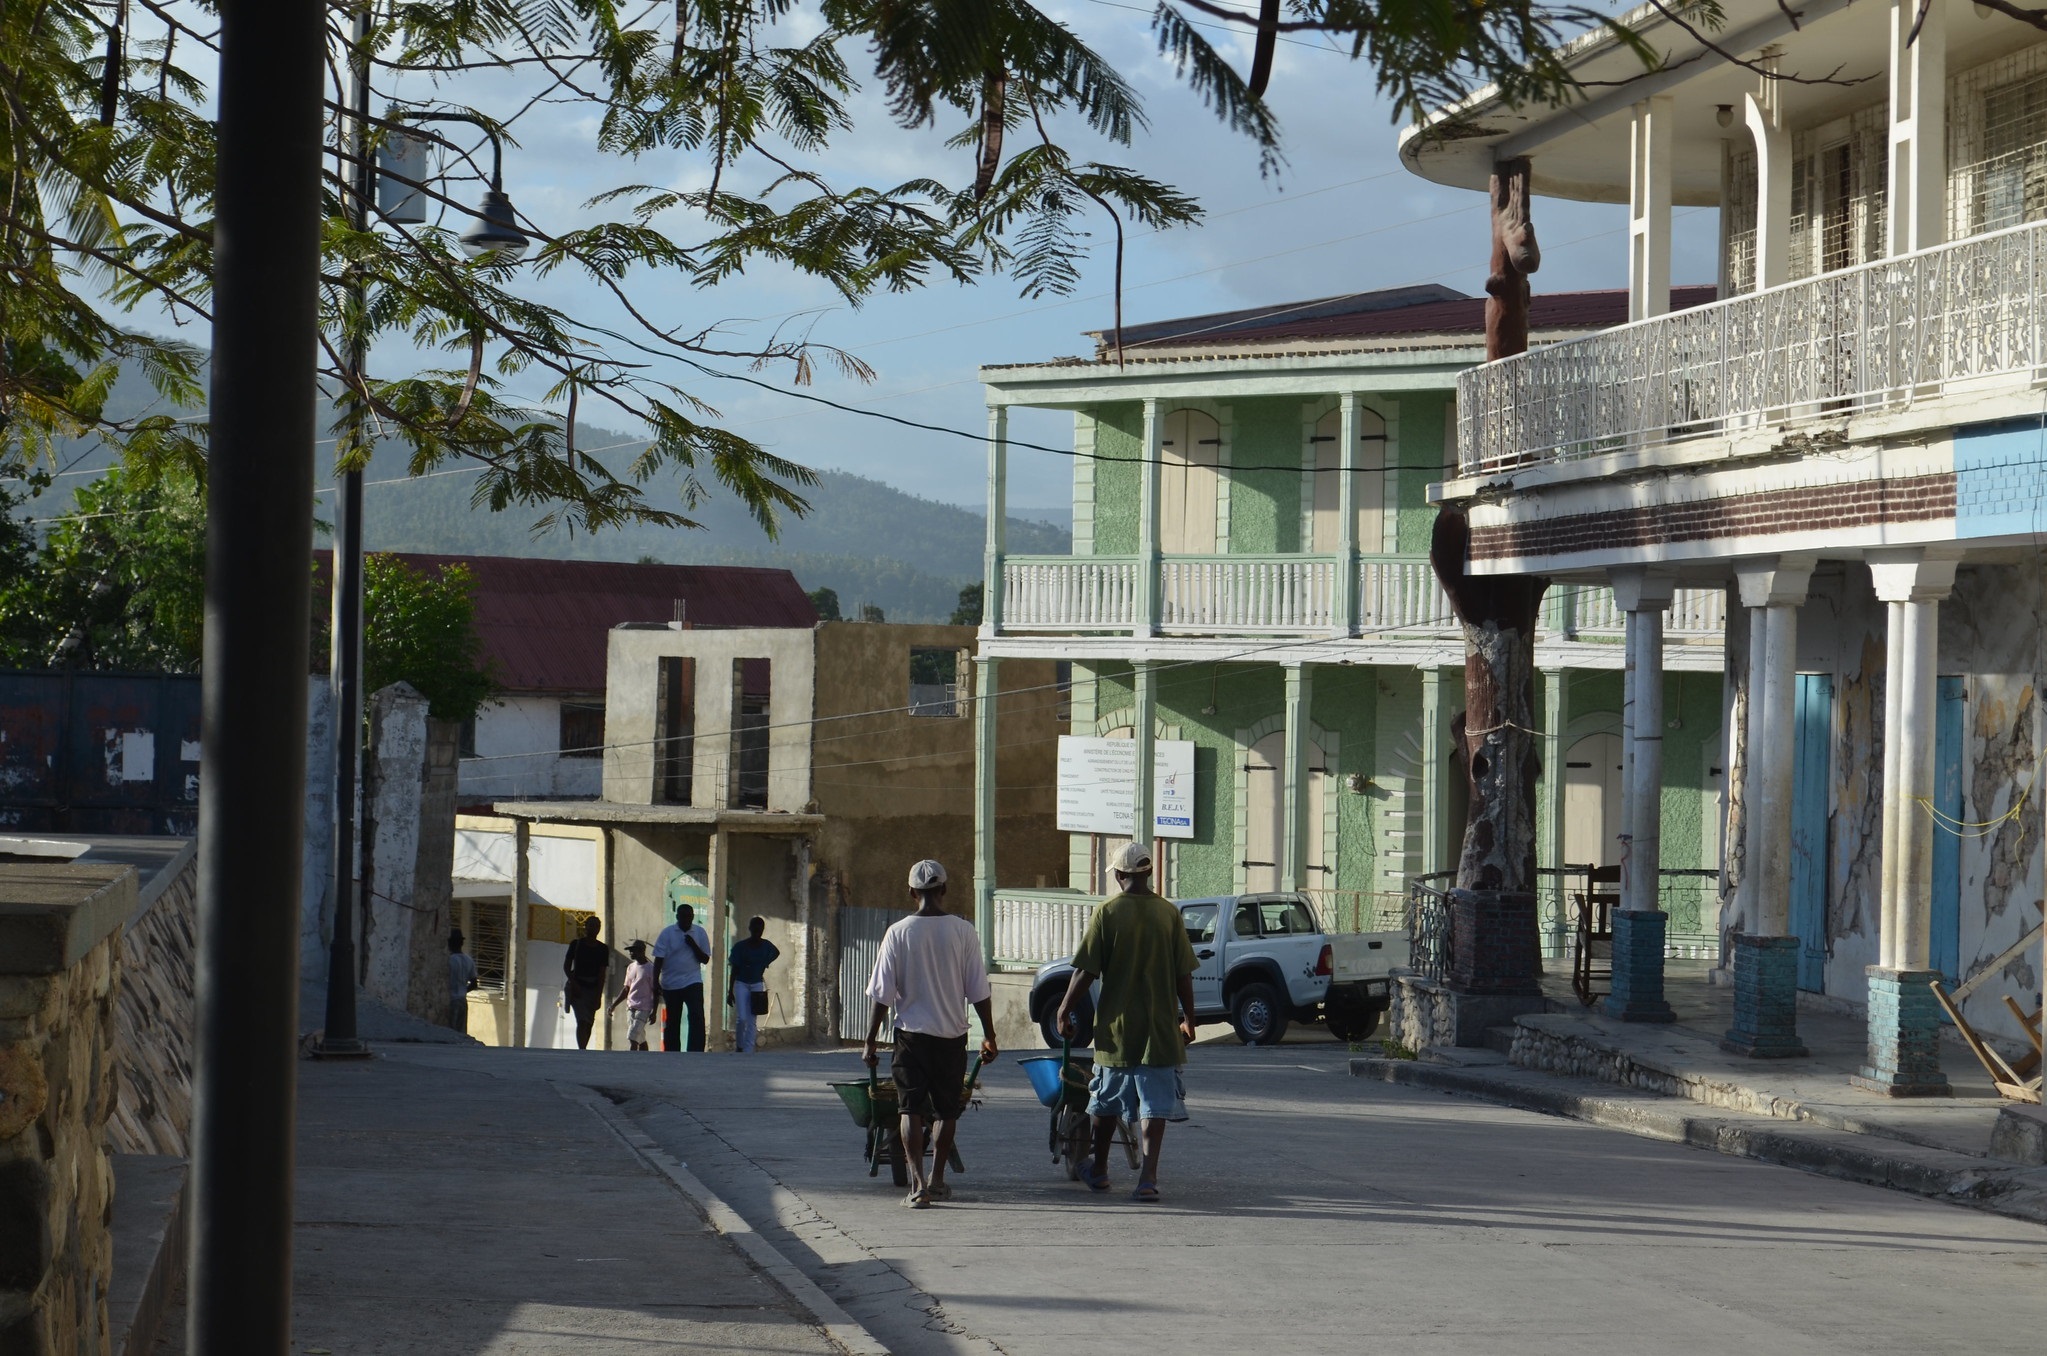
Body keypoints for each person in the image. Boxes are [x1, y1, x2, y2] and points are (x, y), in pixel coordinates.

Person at [1056, 841, 1197, 1204]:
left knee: (1104, 1103)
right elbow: (1184, 974)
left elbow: (1086, 969)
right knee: (1154, 1106)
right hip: (1159, 1029)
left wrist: (1064, 1008)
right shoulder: (1168, 914)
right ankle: (1148, 1179)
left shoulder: (1107, 912)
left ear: (1119, 875)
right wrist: (1190, 1019)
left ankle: (1100, 1171)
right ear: (1149, 872)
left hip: (1116, 1031)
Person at [863, 860, 998, 1209]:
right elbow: (978, 991)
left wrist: (869, 1040)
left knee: (910, 1110)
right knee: (947, 1112)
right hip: (951, 1037)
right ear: (944, 890)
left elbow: (882, 994)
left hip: (910, 1037)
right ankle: (938, 1179)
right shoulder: (963, 931)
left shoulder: (898, 932)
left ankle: (918, 1185)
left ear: (911, 893)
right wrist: (990, 1035)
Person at [652, 902, 711, 1052]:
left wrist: (693, 945)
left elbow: (705, 959)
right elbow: (658, 959)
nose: (686, 919)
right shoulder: (667, 933)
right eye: (683, 916)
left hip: (693, 981)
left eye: (689, 916)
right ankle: (672, 1052)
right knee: (673, 1020)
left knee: (697, 1015)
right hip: (671, 984)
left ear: (693, 917)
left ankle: (695, 1051)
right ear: (677, 916)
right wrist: (655, 981)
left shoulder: (699, 933)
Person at [727, 916, 780, 1053]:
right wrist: (729, 991)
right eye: (755, 929)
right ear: (750, 929)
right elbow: (734, 969)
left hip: (756, 984)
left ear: (762, 930)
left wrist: (765, 963)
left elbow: (776, 953)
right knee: (742, 1018)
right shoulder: (740, 947)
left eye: (760, 929)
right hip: (741, 983)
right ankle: (740, 1045)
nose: (757, 932)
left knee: (752, 1020)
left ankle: (748, 1050)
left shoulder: (766, 946)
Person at [561, 915, 610, 1050]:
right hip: (578, 988)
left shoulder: (603, 949)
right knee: (582, 1020)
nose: (594, 928)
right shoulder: (576, 944)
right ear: (585, 926)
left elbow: (602, 974)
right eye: (591, 925)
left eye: (597, 926)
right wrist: (573, 983)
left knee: (589, 1022)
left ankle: (583, 1048)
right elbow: (566, 966)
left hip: (593, 989)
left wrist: (599, 996)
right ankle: (582, 1049)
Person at [609, 939, 657, 1051]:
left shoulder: (650, 969)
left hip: (644, 1008)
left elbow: (655, 991)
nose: (631, 953)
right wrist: (613, 1005)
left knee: (632, 1037)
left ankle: (632, 1061)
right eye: (630, 951)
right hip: (630, 1007)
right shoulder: (631, 967)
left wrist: (654, 1012)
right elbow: (626, 989)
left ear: (642, 951)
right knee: (640, 1038)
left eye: (633, 950)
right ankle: (644, 1060)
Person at [447, 928, 478, 1033]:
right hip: (462, 1000)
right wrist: (463, 991)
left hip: (451, 1000)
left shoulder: (449, 960)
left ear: (450, 944)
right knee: (461, 1032)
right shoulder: (469, 960)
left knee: (450, 1030)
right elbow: (474, 984)